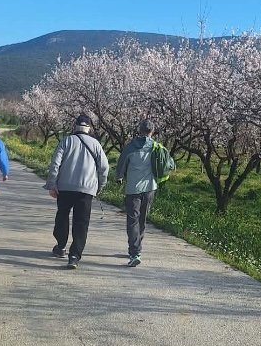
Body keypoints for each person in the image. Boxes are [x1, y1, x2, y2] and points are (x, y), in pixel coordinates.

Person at [45, 114, 109, 269]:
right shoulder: (95, 144)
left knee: (62, 216)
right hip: (87, 189)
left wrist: (52, 184)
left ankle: (60, 246)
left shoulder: (66, 141)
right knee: (81, 222)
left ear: (75, 126)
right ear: (89, 128)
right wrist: (99, 186)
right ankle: (74, 256)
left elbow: (55, 163)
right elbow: (104, 167)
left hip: (65, 187)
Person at [115, 119, 175, 267]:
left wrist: (119, 178)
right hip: (150, 188)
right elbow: (171, 164)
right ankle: (137, 247)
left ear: (139, 131)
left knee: (132, 220)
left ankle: (134, 251)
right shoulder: (158, 147)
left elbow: (121, 165)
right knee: (142, 219)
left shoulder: (130, 148)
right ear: (152, 132)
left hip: (133, 189)